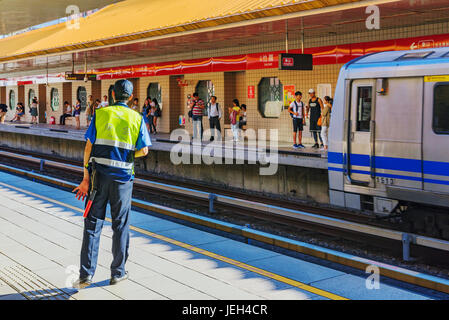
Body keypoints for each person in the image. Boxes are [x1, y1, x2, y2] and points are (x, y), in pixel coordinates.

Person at [72, 79, 151, 289]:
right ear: (131, 98)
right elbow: (144, 151)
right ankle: (118, 273)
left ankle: (85, 275)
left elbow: (88, 148)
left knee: (92, 225)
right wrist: (126, 156)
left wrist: (85, 178)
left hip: (98, 178)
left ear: (113, 95)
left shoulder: (101, 114)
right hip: (123, 180)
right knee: (121, 225)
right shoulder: (137, 117)